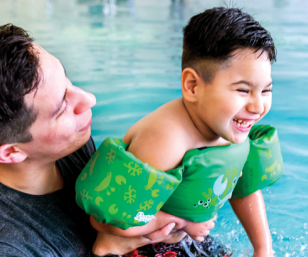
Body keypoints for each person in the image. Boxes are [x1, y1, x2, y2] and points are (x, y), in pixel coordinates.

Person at [0, 24, 210, 257]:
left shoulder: (61, 140)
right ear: (10, 153)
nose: (88, 99)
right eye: (61, 107)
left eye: (65, 80)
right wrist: (108, 250)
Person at [76, 7, 282, 257]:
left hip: (185, 238)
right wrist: (184, 224)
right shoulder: (166, 140)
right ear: (192, 86)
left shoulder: (232, 125)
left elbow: (243, 189)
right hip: (134, 249)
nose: (258, 107)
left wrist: (263, 249)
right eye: (242, 90)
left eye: (266, 91)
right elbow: (106, 221)